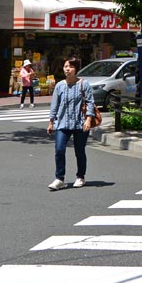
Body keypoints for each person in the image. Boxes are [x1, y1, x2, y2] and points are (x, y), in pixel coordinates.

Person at [47, 56, 95, 191]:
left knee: (79, 150)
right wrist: (51, 122)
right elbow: (54, 105)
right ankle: (59, 178)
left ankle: (81, 176)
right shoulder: (60, 85)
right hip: (62, 123)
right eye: (65, 66)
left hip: (80, 123)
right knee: (59, 149)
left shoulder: (83, 84)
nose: (67, 69)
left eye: (71, 67)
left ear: (76, 69)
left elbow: (90, 102)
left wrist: (88, 119)